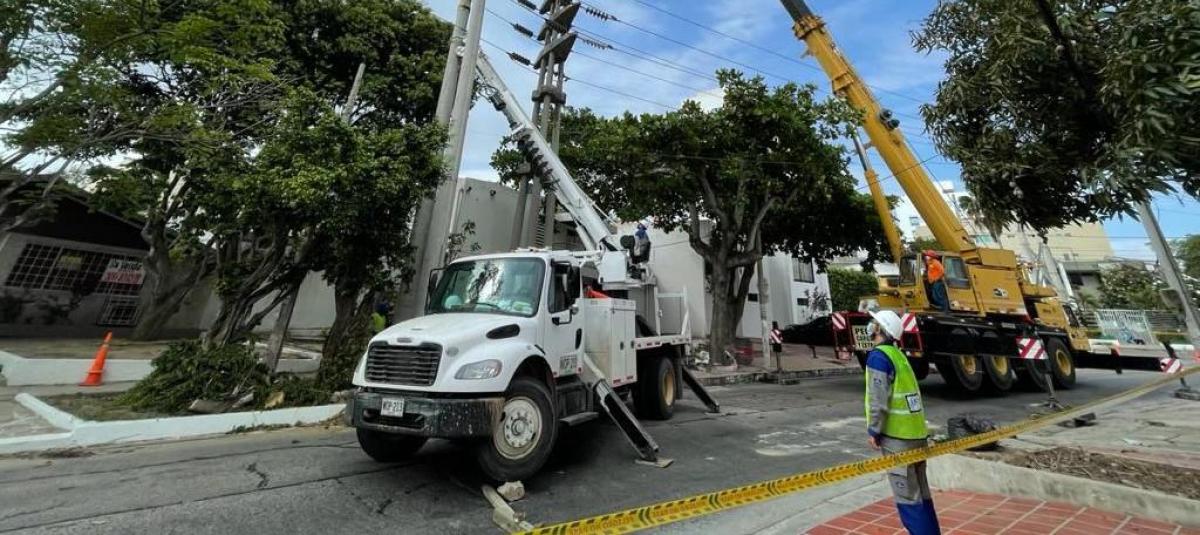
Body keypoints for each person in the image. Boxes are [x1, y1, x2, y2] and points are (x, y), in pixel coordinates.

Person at [865, 309, 940, 535]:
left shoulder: (878, 357)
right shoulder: (899, 356)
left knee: (908, 498)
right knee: (922, 496)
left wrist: (874, 431)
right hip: (917, 435)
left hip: (897, 439)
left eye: (874, 322)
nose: (870, 325)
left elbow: (878, 400)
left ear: (881, 329)